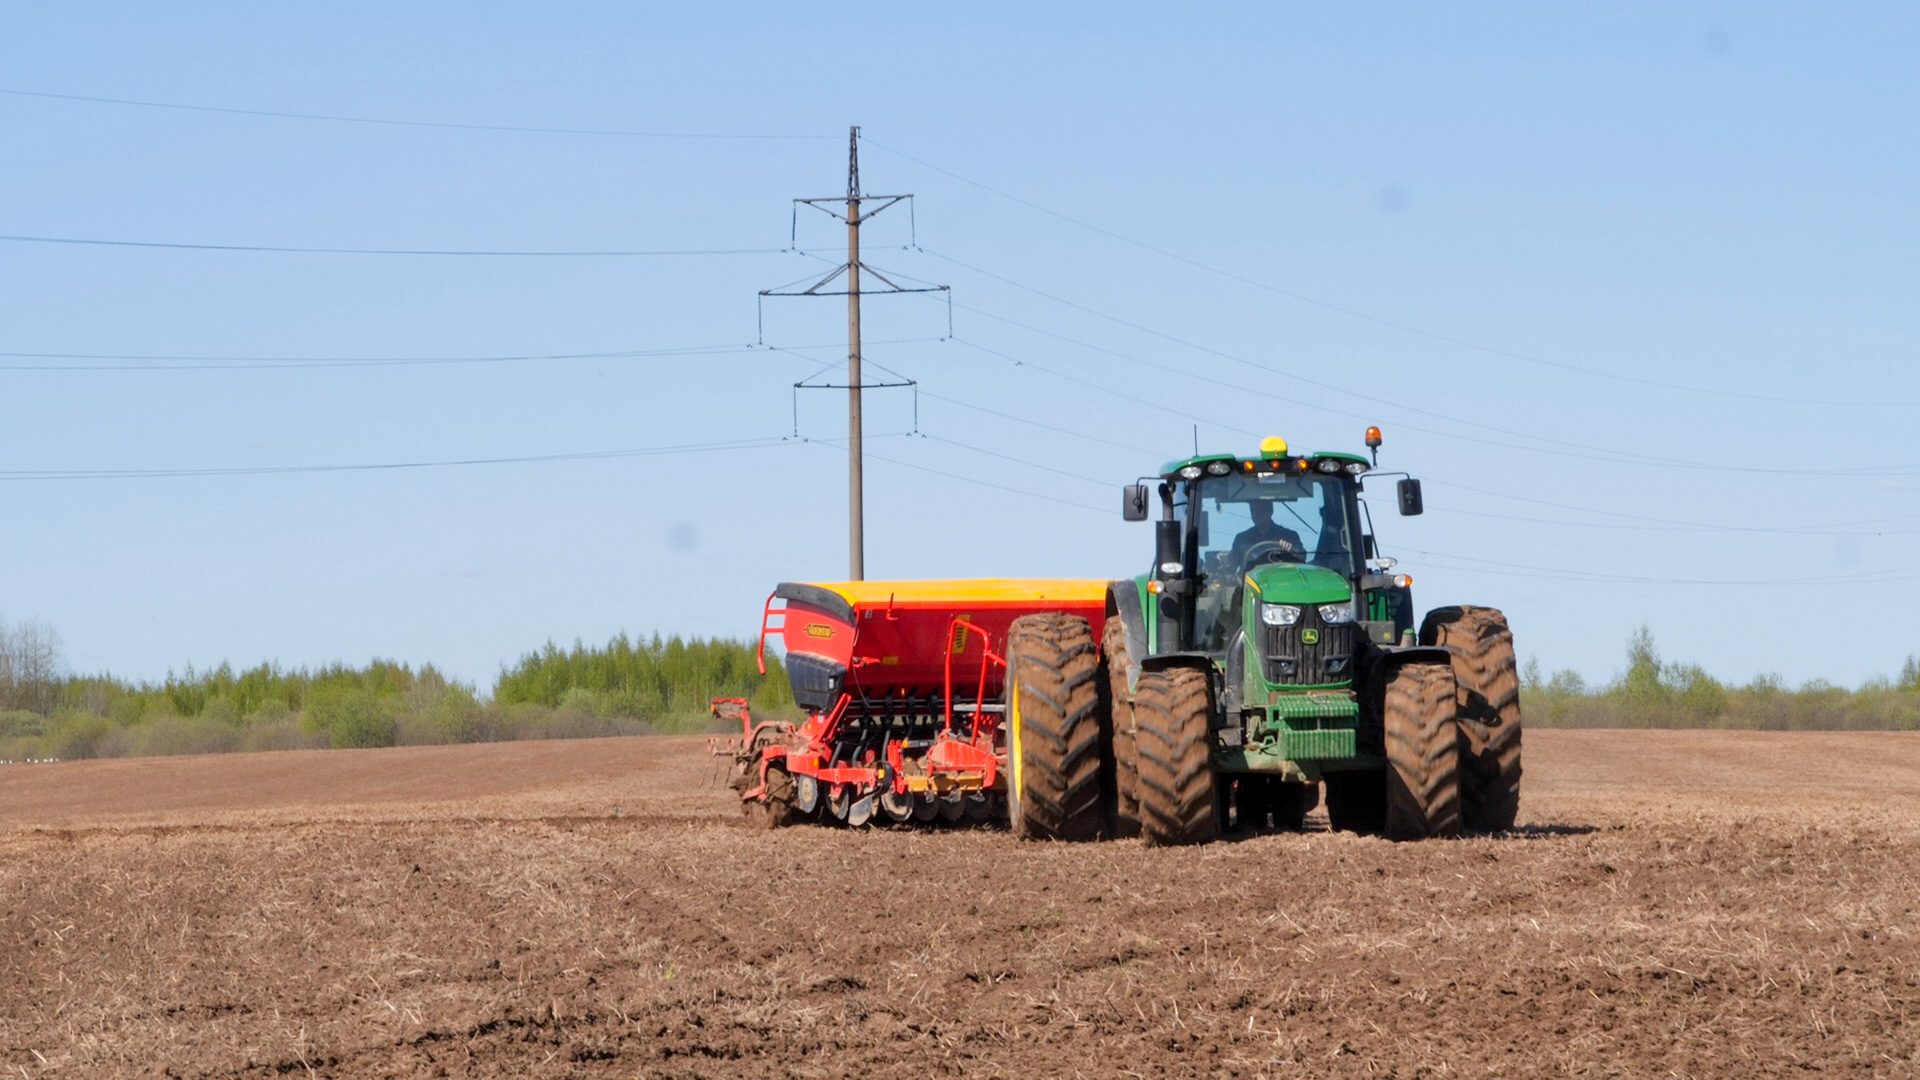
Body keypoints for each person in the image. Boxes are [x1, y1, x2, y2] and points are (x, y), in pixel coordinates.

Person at [1229, 500, 1304, 568]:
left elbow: (1302, 557)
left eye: (1260, 511)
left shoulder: (1289, 536)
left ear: (1270, 511)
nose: (1255, 515)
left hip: (1283, 579)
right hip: (1249, 581)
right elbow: (1232, 565)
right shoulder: (1241, 539)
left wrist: (1292, 550)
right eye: (1253, 511)